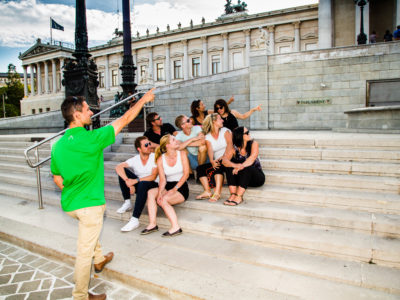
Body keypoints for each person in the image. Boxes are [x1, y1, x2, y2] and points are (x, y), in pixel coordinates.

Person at [50, 89, 155, 300]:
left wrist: (74, 192)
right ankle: (80, 295)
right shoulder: (92, 138)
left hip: (71, 204)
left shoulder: (58, 145)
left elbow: (57, 178)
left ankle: (99, 259)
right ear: (77, 115)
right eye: (88, 109)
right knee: (83, 252)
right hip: (89, 205)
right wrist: (143, 99)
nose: (92, 112)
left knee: (88, 234)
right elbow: (125, 118)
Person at [141, 134, 190, 237]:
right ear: (167, 145)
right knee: (151, 193)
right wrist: (159, 193)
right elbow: (162, 180)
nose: (176, 141)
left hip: (181, 186)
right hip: (168, 185)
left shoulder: (182, 154)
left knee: (163, 200)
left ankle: (176, 227)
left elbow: (186, 174)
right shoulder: (160, 159)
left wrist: (174, 189)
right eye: (173, 140)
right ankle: (152, 224)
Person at [115, 136, 158, 232]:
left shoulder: (155, 157)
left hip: (153, 184)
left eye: (149, 144)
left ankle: (134, 219)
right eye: (146, 145)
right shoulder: (135, 159)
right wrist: (127, 181)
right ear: (139, 149)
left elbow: (153, 176)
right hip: (140, 184)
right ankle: (127, 202)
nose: (149, 146)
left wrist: (135, 181)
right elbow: (118, 167)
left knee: (143, 183)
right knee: (123, 172)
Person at [222, 127, 265, 206]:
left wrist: (240, 166)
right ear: (240, 136)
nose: (249, 134)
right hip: (241, 179)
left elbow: (251, 159)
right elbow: (224, 161)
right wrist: (234, 165)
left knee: (247, 167)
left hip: (256, 178)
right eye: (247, 133)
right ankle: (233, 194)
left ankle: (239, 196)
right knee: (228, 166)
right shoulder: (233, 147)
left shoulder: (254, 144)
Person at [196, 113, 232, 202]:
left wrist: (224, 157)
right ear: (214, 122)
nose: (222, 120)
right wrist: (212, 160)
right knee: (200, 168)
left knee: (217, 166)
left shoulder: (225, 131)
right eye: (220, 119)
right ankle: (207, 191)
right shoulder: (208, 136)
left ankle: (217, 193)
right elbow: (210, 150)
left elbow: (230, 146)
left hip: (229, 158)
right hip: (217, 160)